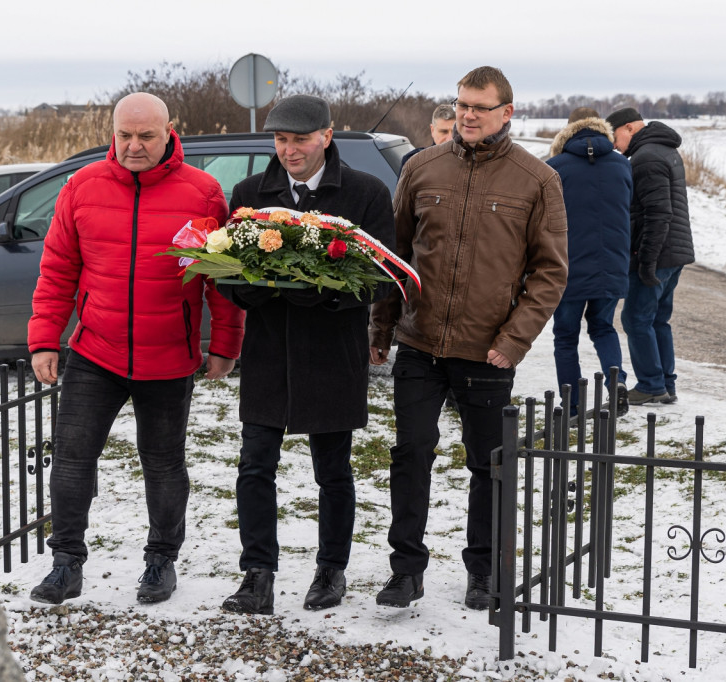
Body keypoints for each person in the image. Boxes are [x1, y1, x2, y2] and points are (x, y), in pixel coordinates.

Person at [27, 92, 245, 605]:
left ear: (171, 131)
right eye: (124, 135)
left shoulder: (204, 192)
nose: (133, 146)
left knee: (164, 464)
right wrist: (44, 339)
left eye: (146, 136)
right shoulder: (81, 186)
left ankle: (161, 561)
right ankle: (65, 563)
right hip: (95, 352)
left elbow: (222, 280)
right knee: (73, 461)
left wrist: (225, 344)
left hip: (168, 354)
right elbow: (58, 270)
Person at [369, 66, 568, 610]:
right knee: (410, 454)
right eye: (462, 104)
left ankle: (484, 570)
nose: (468, 114)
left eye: (480, 106)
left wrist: (514, 340)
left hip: (487, 350)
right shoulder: (422, 168)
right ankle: (406, 570)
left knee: (488, 463)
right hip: (419, 341)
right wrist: (382, 326)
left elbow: (550, 273)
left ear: (507, 112)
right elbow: (395, 256)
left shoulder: (537, 180)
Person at [215, 94, 396, 614]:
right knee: (254, 466)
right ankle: (257, 574)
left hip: (331, 353)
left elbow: (383, 277)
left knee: (333, 471)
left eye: (299, 140)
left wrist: (327, 292)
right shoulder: (252, 193)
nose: (288, 150)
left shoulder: (364, 193)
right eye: (280, 140)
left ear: (326, 136)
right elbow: (228, 271)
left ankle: (330, 571)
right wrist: (252, 289)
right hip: (269, 354)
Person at [547, 107, 633, 416]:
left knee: (566, 336)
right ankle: (617, 383)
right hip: (612, 265)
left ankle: (572, 404)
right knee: (603, 327)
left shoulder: (555, 168)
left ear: (568, 131)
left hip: (569, 267)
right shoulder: (622, 166)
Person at [605, 107, 695, 405]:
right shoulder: (664, 150)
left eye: (615, 137)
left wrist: (646, 262)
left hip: (658, 253)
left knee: (635, 319)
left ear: (629, 128)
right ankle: (665, 384)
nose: (615, 146)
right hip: (675, 251)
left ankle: (651, 386)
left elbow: (658, 214)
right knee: (657, 319)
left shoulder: (646, 158)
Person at [400, 103, 457, 168]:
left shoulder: (468, 163)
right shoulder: (414, 162)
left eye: (454, 132)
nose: (450, 139)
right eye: (444, 132)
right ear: (432, 130)